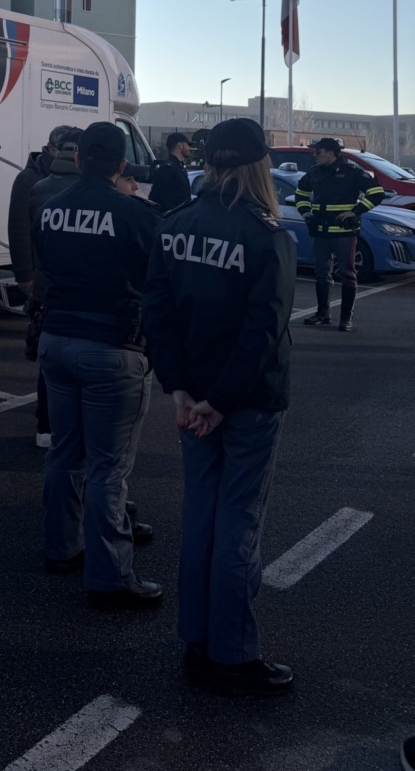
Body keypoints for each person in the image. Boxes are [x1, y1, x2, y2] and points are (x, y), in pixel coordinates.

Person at [142, 117, 297, 696]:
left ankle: (198, 641)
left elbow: (157, 312)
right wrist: (220, 401)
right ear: (261, 166)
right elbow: (263, 332)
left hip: (195, 399)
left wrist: (181, 389)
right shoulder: (266, 235)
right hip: (247, 401)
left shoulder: (175, 223)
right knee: (238, 522)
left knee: (202, 516)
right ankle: (232, 653)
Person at [33, 123, 161, 609]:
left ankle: (61, 548)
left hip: (56, 339)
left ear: (78, 159)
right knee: (109, 466)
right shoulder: (135, 214)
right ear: (121, 165)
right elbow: (154, 282)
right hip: (111, 345)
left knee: (65, 451)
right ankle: (110, 577)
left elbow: (44, 270)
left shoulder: (50, 209)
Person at [8, 125, 76, 447]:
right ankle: (45, 423)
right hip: (44, 278)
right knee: (49, 355)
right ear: (50, 147)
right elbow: (19, 228)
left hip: (66, 280)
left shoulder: (75, 180)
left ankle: (56, 421)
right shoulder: (30, 180)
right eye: (65, 148)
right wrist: (24, 272)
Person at [24, 128, 83, 448]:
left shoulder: (39, 186)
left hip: (47, 285)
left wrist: (29, 274)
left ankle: (46, 425)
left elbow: (26, 233)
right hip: (82, 290)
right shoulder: (93, 191)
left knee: (50, 364)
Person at [295, 137, 385, 331]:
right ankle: (322, 314)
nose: (315, 155)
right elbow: (300, 193)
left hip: (344, 233)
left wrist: (356, 211)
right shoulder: (314, 173)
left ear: (331, 153)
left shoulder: (352, 173)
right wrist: (305, 212)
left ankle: (346, 319)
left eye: (318, 152)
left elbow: (377, 192)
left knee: (347, 274)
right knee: (321, 274)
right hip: (320, 232)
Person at [150, 133, 193, 213]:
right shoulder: (168, 169)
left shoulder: (178, 167)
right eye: (188, 144)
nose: (189, 148)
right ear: (180, 145)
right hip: (172, 216)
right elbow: (157, 197)